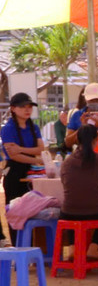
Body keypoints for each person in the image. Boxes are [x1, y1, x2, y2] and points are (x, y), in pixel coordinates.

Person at [58, 123, 98, 259]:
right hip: (96, 211)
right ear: (96, 140)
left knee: (70, 208)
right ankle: (93, 248)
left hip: (69, 212)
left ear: (77, 140)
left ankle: (72, 248)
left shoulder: (67, 161)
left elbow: (65, 183)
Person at [2, 93, 46, 243]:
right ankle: (17, 245)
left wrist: (20, 148)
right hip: (14, 171)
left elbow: (41, 148)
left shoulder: (33, 127)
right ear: (13, 109)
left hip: (33, 171)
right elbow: (13, 156)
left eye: (29, 107)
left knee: (32, 208)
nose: (27, 110)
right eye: (23, 107)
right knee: (14, 209)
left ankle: (33, 244)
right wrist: (36, 157)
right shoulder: (8, 128)